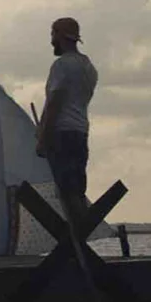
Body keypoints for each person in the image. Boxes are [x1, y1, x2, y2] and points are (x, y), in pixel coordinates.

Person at [36, 17, 98, 247]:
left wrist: (43, 137)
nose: (51, 39)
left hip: (61, 133)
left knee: (66, 191)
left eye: (53, 34)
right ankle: (80, 240)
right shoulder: (89, 67)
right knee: (77, 189)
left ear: (60, 36)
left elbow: (55, 102)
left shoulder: (63, 65)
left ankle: (76, 242)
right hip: (80, 133)